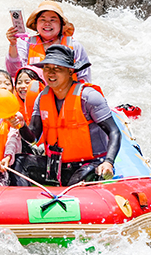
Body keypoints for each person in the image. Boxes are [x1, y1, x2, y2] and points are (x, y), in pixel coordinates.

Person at [10, 45, 121, 187]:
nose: (50, 73)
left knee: (79, 181)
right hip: (56, 165)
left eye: (57, 69)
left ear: (70, 72)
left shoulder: (88, 97)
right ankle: (21, 204)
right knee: (19, 162)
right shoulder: (42, 98)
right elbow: (33, 137)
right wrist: (21, 125)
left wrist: (109, 161)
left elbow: (114, 131)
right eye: (47, 68)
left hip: (89, 164)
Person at [5, 0, 92, 83]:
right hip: (35, 94)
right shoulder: (26, 44)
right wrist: (13, 44)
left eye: (52, 20)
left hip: (65, 94)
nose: (47, 24)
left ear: (61, 24)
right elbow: (13, 72)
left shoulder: (75, 46)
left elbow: (84, 78)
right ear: (36, 24)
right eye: (42, 20)